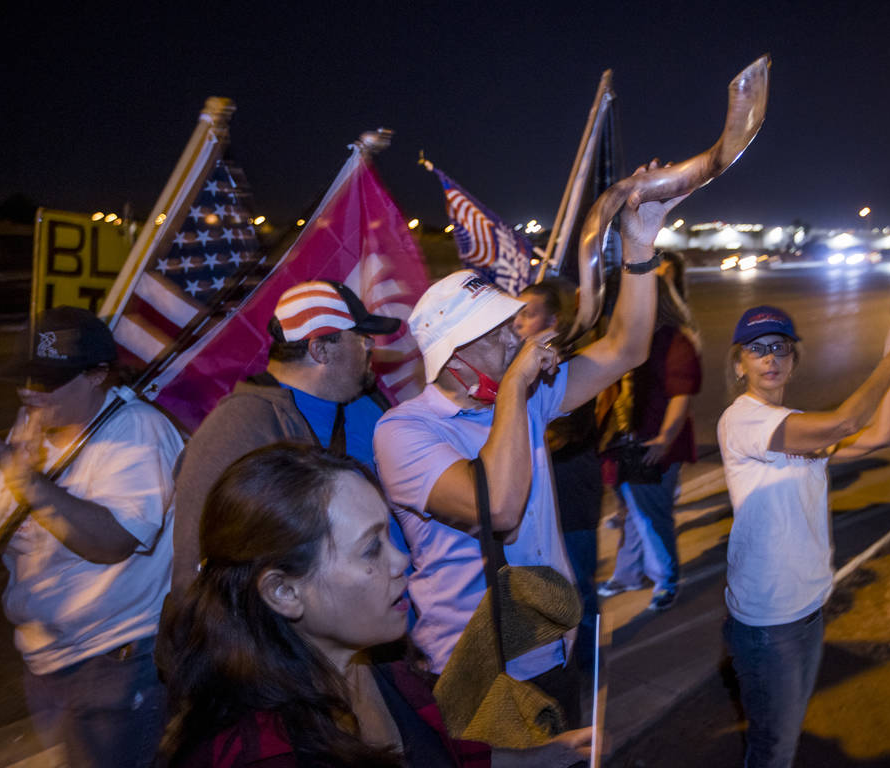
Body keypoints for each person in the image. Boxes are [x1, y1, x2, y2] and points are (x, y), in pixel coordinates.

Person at [375, 162, 684, 723]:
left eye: (510, 324)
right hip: (474, 667)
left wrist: (639, 245)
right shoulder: (404, 431)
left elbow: (626, 348)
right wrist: (517, 385)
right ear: (454, 354)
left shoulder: (521, 402)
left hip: (548, 646)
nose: (513, 335)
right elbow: (498, 506)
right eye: (495, 331)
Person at [158, 443, 592, 767]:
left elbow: (444, 756)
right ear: (284, 592)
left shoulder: (380, 661)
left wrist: (548, 756)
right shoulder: (267, 754)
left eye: (390, 536)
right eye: (371, 549)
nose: (401, 560)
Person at [718, 305, 890, 768]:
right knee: (774, 750)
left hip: (807, 611)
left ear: (793, 361)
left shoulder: (796, 423)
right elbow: (846, 423)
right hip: (769, 624)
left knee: (782, 740)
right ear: (738, 364)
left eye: (780, 348)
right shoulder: (741, 419)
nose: (770, 358)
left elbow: (880, 434)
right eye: (757, 349)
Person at [0, 307, 183, 768]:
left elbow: (113, 541)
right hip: (46, 660)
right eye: (25, 377)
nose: (28, 392)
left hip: (116, 662)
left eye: (47, 380)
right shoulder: (32, 425)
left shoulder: (137, 431)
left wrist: (31, 485)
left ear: (97, 374)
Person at [172, 280, 405, 595]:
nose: (371, 347)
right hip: (298, 636)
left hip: (393, 622)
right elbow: (200, 561)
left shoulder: (372, 404)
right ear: (320, 349)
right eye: (362, 338)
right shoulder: (239, 425)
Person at [598, 251, 702, 612]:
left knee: (652, 515)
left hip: (656, 445)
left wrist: (665, 439)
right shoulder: (629, 338)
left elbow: (680, 394)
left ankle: (666, 581)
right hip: (626, 442)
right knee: (632, 512)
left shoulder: (673, 340)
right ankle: (627, 574)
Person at [513, 278, 602, 669]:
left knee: (578, 583)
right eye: (515, 315)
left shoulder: (563, 364)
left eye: (527, 314)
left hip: (571, 490)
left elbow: (569, 432)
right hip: (544, 493)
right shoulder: (521, 363)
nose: (517, 323)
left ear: (553, 319)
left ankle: (585, 664)